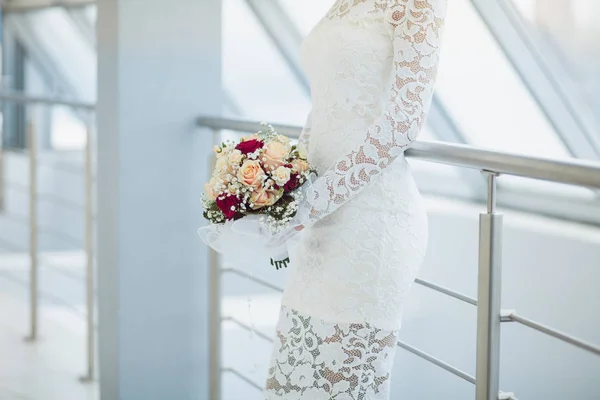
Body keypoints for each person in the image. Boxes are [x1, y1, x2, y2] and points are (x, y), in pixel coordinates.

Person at [264, 0, 447, 398]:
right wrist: (286, 187)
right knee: (293, 384)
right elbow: (322, 110)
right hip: (319, 220)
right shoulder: (344, 4)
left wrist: (313, 201)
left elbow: (404, 121)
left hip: (372, 222)